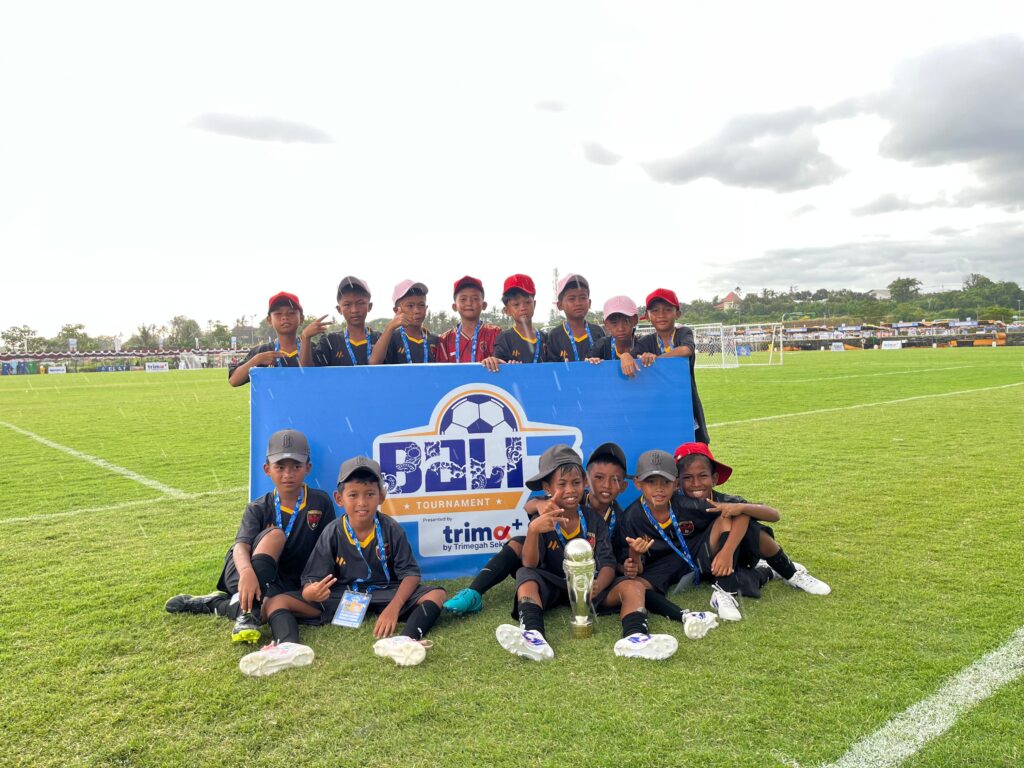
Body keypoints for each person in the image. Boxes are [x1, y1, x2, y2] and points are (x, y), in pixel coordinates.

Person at [495, 445, 680, 661]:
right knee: (525, 575)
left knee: (633, 585)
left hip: (589, 587)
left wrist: (599, 584)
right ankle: (533, 635)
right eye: (562, 484)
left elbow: (608, 563)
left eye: (576, 483)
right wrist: (533, 530)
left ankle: (635, 636)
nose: (570, 490)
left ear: (584, 483)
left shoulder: (594, 519)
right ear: (547, 488)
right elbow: (529, 563)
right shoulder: (542, 519)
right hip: (553, 585)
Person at [165, 429, 336, 655]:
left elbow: (328, 547)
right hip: (247, 569)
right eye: (280, 467)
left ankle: (215, 605)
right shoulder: (258, 507)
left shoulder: (320, 502)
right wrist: (246, 572)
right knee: (275, 535)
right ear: (267, 469)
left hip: (287, 579)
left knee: (271, 607)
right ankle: (248, 614)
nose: (288, 474)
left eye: (296, 466)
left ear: (308, 468)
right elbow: (241, 546)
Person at [443, 441, 628, 616]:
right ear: (589, 480)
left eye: (615, 480)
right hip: (552, 561)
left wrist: (619, 569)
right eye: (599, 478)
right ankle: (474, 592)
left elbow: (613, 558)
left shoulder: (619, 517)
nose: (606, 485)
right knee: (518, 543)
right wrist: (539, 505)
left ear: (623, 486)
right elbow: (530, 505)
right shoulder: (574, 496)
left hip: (588, 570)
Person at [300, 456, 446, 666]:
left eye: (370, 494)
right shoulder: (332, 531)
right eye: (353, 495)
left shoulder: (391, 528)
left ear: (382, 496)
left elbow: (411, 574)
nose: (362, 502)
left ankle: (405, 640)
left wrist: (393, 608)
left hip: (386, 592)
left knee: (437, 594)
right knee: (283, 602)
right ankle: (285, 642)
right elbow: (312, 578)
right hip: (346, 594)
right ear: (339, 498)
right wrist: (310, 592)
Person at [671, 442, 831, 622]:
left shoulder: (724, 499)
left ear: (714, 478)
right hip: (703, 564)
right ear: (678, 482)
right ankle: (758, 575)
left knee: (748, 523)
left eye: (702, 476)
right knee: (742, 575)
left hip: (731, 560)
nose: (696, 483)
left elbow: (774, 515)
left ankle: (791, 574)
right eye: (687, 478)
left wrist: (740, 508)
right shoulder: (674, 503)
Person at [617, 449, 722, 637]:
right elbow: (634, 570)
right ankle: (685, 616)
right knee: (636, 586)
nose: (659, 489)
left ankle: (759, 573)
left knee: (726, 520)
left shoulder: (686, 503)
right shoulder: (630, 518)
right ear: (638, 483)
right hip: (660, 566)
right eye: (651, 482)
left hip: (693, 554)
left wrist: (726, 552)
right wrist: (634, 555)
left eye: (665, 482)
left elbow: (729, 513)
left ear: (675, 484)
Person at [634, 288, 710, 444]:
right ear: (647, 316)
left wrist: (657, 359)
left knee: (694, 447)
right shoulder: (645, 341)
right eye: (655, 311)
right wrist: (629, 357)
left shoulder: (683, 333)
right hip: (657, 408)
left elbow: (686, 349)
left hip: (685, 405)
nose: (661, 315)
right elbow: (632, 358)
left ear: (677, 313)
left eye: (668, 310)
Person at [300, 276, 380, 367]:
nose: (354, 310)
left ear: (369, 306)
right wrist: (305, 337)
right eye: (347, 305)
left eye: (360, 303)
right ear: (339, 309)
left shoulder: (380, 339)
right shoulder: (330, 341)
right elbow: (307, 371)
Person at [228, 292, 304, 386]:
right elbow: (234, 381)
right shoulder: (261, 352)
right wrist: (256, 360)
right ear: (269, 320)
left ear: (301, 318)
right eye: (278, 313)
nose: (285, 317)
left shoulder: (312, 349)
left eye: (291, 312)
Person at [435, 275, 502, 371]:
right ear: (454, 306)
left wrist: (496, 360)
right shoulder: (445, 339)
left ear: (484, 305)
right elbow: (440, 372)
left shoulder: (495, 333)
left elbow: (504, 367)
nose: (469, 303)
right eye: (463, 299)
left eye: (475, 298)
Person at [370, 280, 439, 365]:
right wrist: (390, 327)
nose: (417, 311)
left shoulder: (435, 340)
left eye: (421, 305)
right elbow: (373, 363)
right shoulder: (390, 339)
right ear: (396, 310)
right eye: (410, 306)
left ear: (426, 307)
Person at [484, 274, 547, 366]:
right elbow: (498, 367)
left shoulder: (546, 338)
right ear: (507, 310)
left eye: (528, 302)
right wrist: (493, 361)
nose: (523, 308)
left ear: (534, 304)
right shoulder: (504, 339)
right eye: (516, 304)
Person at [587, 296, 656, 378]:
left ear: (635, 320)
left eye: (626, 321)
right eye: (614, 322)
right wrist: (591, 362)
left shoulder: (644, 344)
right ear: (606, 324)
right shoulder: (601, 345)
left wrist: (652, 358)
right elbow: (586, 367)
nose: (620, 328)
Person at [545, 273, 604, 362]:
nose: (578, 303)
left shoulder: (598, 332)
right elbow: (551, 367)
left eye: (583, 298)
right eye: (572, 299)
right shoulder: (554, 336)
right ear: (560, 305)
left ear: (589, 303)